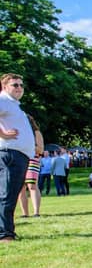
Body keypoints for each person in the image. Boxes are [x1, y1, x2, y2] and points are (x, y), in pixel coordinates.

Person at [0, 73, 35, 242]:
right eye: (15, 85)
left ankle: (7, 231)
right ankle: (4, 234)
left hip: (19, 154)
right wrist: (3, 134)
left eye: (21, 85)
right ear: (5, 86)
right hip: (10, 153)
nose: (19, 88)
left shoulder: (13, 105)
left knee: (11, 195)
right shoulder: (4, 100)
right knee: (7, 195)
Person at [18, 114, 44, 218]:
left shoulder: (36, 133)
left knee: (32, 185)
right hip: (20, 159)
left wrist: (27, 144)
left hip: (32, 159)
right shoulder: (18, 132)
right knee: (21, 187)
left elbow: (40, 150)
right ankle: (25, 213)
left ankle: (36, 212)